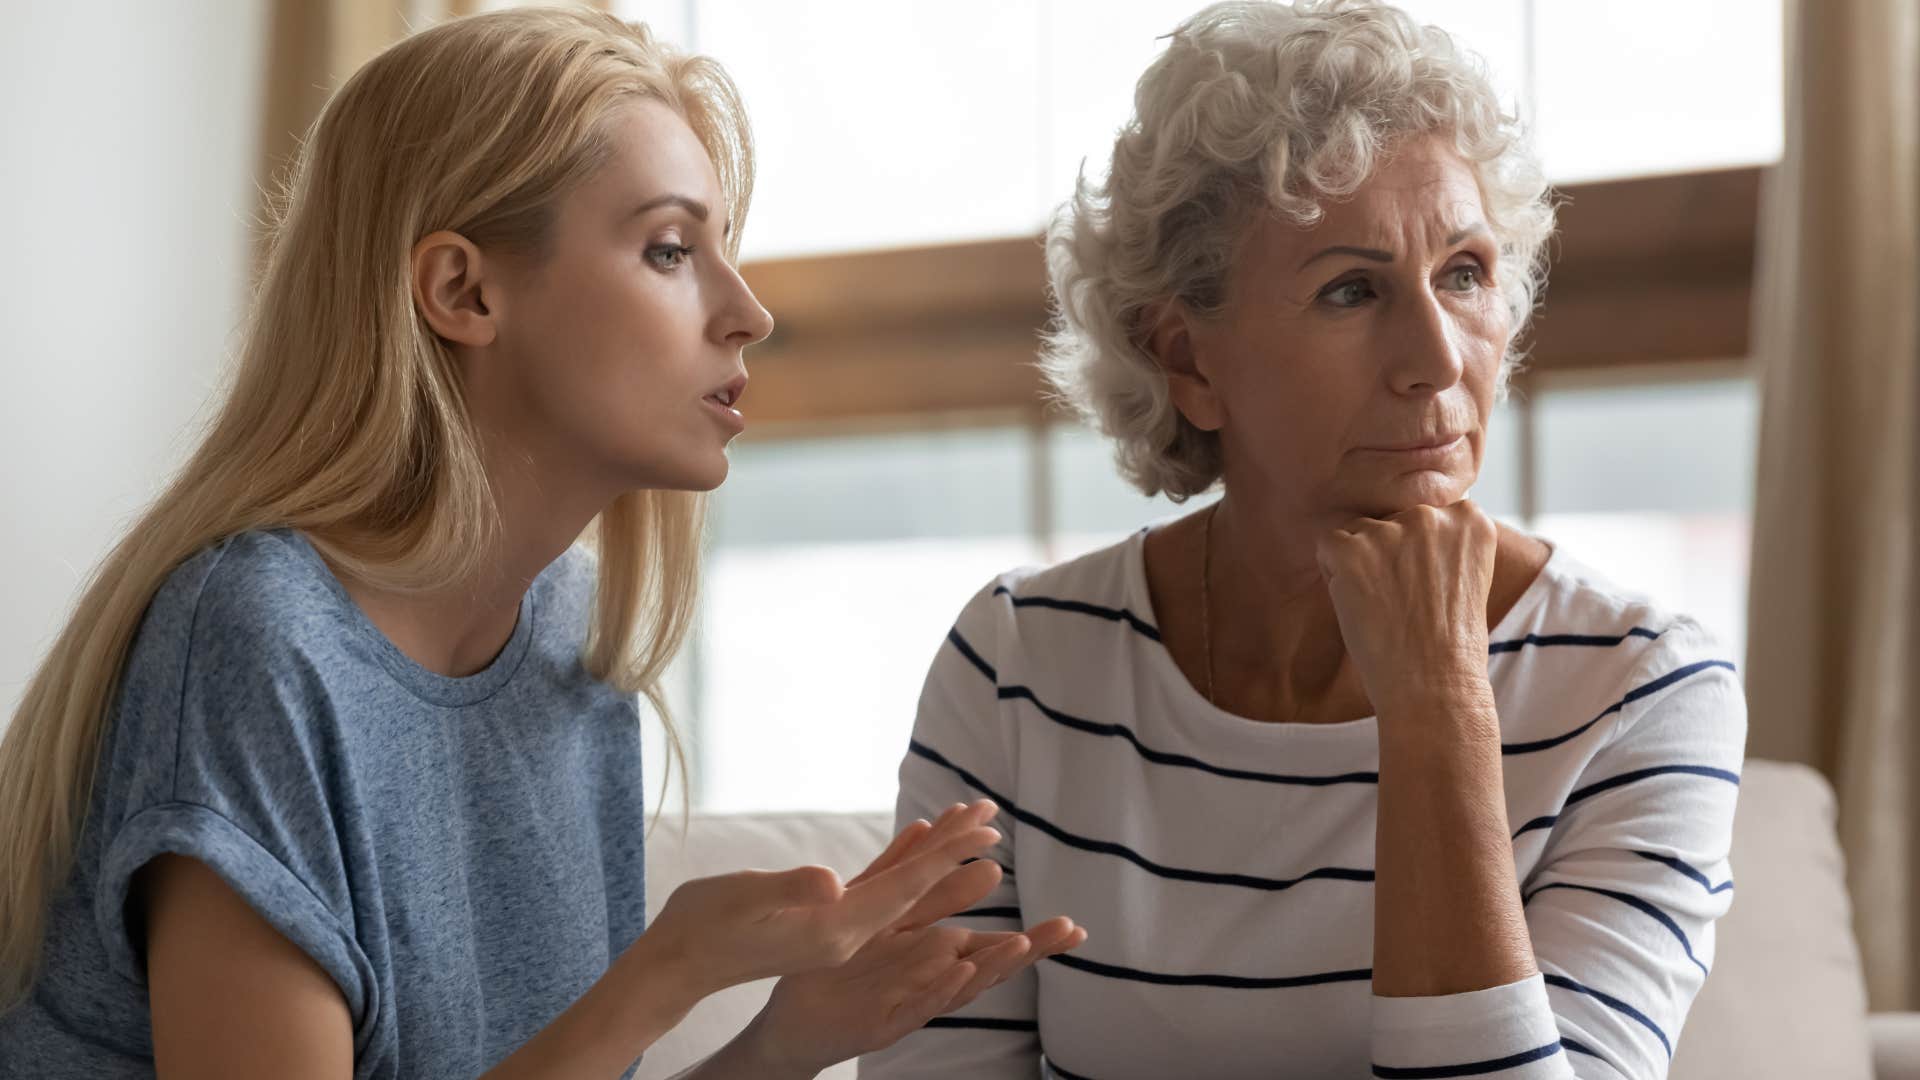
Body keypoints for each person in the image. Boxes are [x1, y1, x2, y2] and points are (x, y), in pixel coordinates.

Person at [0, 10, 1084, 1078]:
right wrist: (667, 972)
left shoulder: (569, 640)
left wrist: (778, 1045)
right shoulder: (257, 639)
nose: (748, 311)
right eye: (670, 249)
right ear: (463, 291)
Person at [861, 2, 1744, 1077]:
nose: (1435, 358)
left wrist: (1440, 710)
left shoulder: (1642, 688)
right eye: (1351, 289)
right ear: (1187, 359)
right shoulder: (1017, 663)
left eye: (1464, 272)